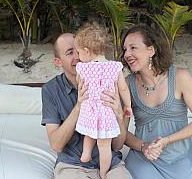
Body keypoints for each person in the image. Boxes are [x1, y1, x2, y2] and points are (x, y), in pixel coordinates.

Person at [121, 25, 192, 179]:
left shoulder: (179, 77)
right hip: (143, 159)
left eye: (133, 48)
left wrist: (167, 140)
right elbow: (121, 133)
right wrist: (143, 147)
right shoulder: (127, 85)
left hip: (179, 158)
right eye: (125, 49)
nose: (127, 54)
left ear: (151, 50)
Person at [41, 33, 132, 179]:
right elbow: (56, 145)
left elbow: (117, 145)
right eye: (70, 52)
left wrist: (119, 114)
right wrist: (79, 105)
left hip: (110, 164)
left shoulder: (109, 80)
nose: (77, 56)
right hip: (73, 165)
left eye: (79, 50)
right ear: (58, 62)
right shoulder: (51, 90)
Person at [74, 22, 132, 179]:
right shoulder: (115, 67)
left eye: (78, 52)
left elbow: (80, 84)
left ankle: (85, 154)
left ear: (86, 51)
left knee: (89, 133)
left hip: (90, 109)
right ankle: (104, 172)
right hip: (106, 111)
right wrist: (127, 105)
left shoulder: (82, 68)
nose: (78, 57)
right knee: (104, 146)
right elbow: (123, 89)